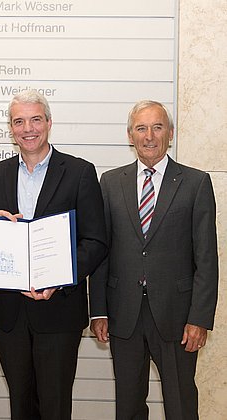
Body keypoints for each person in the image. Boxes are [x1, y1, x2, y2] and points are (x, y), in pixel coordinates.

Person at [89, 100, 218, 419]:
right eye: (141, 128)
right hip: (123, 314)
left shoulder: (196, 182)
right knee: (128, 404)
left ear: (170, 134)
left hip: (177, 317)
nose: (149, 135)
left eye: (157, 127)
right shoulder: (110, 182)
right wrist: (99, 311)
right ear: (130, 135)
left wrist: (200, 318)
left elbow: (206, 258)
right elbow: (102, 252)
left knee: (181, 403)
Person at [0, 90, 107, 420]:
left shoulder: (80, 171)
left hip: (59, 309)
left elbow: (95, 241)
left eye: (35, 119)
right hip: (10, 313)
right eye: (19, 121)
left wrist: (58, 279)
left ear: (49, 123)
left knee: (54, 405)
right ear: (11, 128)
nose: (28, 128)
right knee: (20, 404)